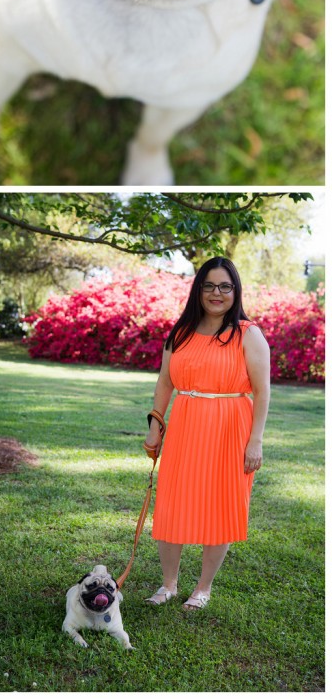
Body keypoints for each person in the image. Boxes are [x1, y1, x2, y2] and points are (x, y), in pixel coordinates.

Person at [142, 257, 271, 612]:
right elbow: (165, 382)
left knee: (221, 507)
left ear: (235, 291)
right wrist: (155, 428)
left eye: (225, 286)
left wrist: (255, 440)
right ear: (198, 289)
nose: (217, 293)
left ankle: (203, 589)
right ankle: (168, 584)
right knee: (172, 503)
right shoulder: (180, 333)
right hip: (185, 426)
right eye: (209, 285)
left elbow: (262, 391)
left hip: (232, 429)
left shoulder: (248, 334)